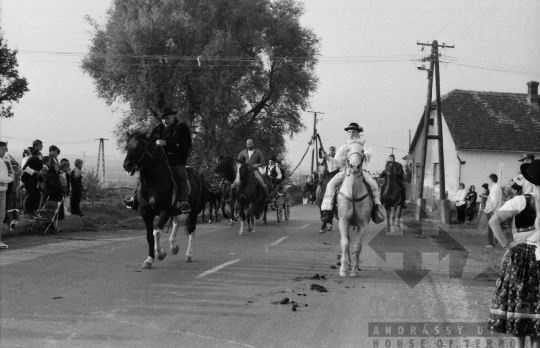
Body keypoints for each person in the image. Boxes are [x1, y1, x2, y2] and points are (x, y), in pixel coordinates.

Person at [487, 159, 540, 348]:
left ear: (530, 181)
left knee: (520, 301)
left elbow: (493, 221)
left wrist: (506, 245)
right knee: (537, 307)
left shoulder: (521, 200)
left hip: (521, 255)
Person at [124, 108, 192, 213]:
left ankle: (184, 202)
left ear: (174, 117)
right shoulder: (158, 128)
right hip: (159, 161)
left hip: (176, 160)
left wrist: (166, 143)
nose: (164, 121)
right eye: (163, 119)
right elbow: (151, 145)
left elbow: (184, 145)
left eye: (167, 118)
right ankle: (135, 198)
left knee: (181, 176)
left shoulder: (182, 128)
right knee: (143, 174)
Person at [320, 122, 381, 222]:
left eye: (353, 132)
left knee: (373, 184)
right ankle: (328, 211)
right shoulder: (344, 147)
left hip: (360, 171)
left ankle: (375, 211)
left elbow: (368, 154)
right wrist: (327, 157)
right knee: (330, 184)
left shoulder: (363, 145)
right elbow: (336, 162)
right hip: (345, 171)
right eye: (349, 132)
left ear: (358, 133)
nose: (351, 134)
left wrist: (358, 154)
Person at [21, 147, 44, 218]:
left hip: (34, 179)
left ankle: (32, 211)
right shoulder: (27, 159)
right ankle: (27, 212)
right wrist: (36, 173)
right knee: (30, 195)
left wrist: (39, 173)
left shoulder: (33, 159)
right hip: (30, 179)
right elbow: (25, 168)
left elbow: (41, 168)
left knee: (35, 195)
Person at [45, 146, 65, 226]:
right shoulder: (52, 175)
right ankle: (52, 224)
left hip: (53, 190)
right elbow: (55, 184)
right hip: (54, 192)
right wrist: (62, 191)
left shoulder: (55, 161)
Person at [0, 141, 14, 249]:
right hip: (1, 190)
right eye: (3, 149)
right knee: (1, 216)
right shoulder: (1, 162)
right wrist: (11, 178)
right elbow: (2, 178)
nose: (5, 151)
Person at [484, 173, 503, 248]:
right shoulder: (496, 187)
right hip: (494, 209)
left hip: (492, 210)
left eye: (489, 179)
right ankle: (495, 241)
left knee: (491, 226)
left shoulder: (495, 188)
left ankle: (491, 243)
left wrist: (489, 210)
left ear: (491, 180)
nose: (489, 181)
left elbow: (494, 201)